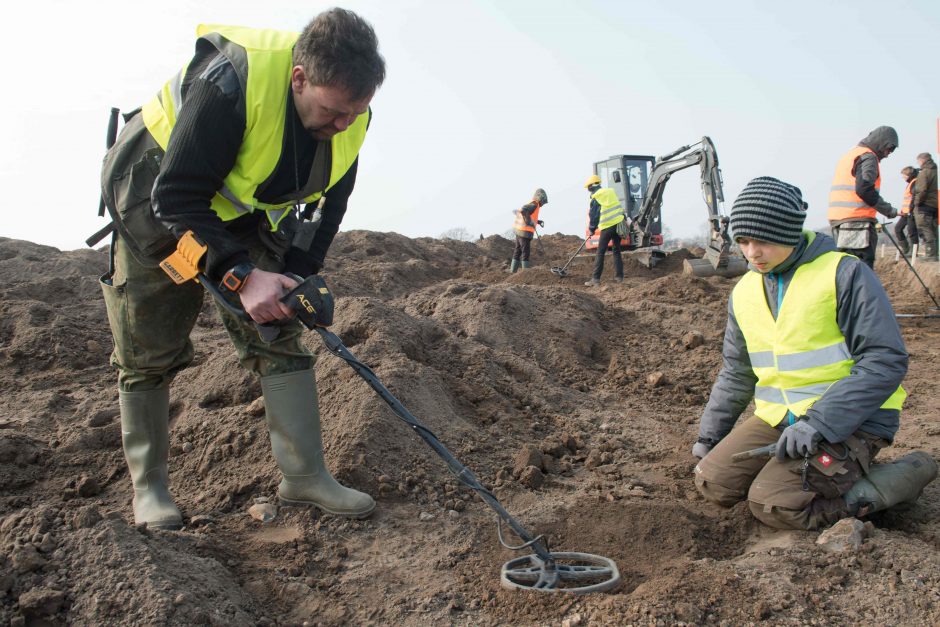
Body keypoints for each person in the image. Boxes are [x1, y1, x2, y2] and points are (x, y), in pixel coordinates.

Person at [98, 9, 386, 529]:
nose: (344, 124)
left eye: (355, 112)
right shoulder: (230, 82)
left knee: (278, 329)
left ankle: (303, 477)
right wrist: (243, 276)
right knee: (148, 345)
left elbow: (332, 205)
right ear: (300, 78)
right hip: (158, 200)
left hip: (241, 210)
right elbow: (177, 195)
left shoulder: (351, 115)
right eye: (333, 110)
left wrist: (297, 273)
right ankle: (150, 490)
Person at [692, 176, 937, 530]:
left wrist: (820, 422)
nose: (751, 253)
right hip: (782, 419)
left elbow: (885, 359)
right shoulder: (744, 291)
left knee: (775, 504)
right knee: (713, 483)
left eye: (762, 240)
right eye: (743, 241)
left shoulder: (845, 274)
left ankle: (902, 476)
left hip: (853, 420)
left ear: (789, 233)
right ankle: (799, 472)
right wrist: (709, 437)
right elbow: (736, 371)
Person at [827, 126, 900, 268]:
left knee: (846, 270)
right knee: (862, 272)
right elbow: (865, 189)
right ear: (882, 143)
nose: (887, 154)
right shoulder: (868, 157)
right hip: (857, 223)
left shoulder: (851, 154)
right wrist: (889, 210)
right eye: (889, 149)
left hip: (840, 221)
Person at [583, 174, 626, 286]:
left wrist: (592, 229)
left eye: (589, 188)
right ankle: (619, 277)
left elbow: (594, 215)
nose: (589, 191)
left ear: (591, 187)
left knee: (600, 252)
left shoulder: (596, 197)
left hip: (607, 226)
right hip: (618, 224)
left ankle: (595, 279)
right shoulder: (610, 192)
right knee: (617, 251)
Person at [509, 188, 548, 273]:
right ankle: (525, 273)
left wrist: (537, 222)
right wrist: (528, 221)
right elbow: (524, 210)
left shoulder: (533, 204)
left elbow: (529, 215)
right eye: (543, 202)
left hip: (519, 231)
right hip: (524, 233)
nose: (542, 204)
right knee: (525, 252)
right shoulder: (534, 204)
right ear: (540, 198)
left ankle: (512, 271)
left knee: (518, 250)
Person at [912, 152, 938, 261]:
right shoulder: (935, 170)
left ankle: (930, 255)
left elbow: (922, 190)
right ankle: (934, 253)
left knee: (925, 228)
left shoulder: (924, 173)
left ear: (922, 160)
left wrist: (916, 202)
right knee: (932, 228)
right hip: (934, 204)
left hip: (924, 204)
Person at [894, 166, 919, 256]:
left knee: (912, 231)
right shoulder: (910, 183)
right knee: (898, 228)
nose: (903, 177)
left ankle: (913, 252)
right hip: (904, 212)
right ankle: (906, 249)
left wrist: (911, 210)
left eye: (904, 175)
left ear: (909, 175)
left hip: (911, 212)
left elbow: (914, 198)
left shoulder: (915, 182)